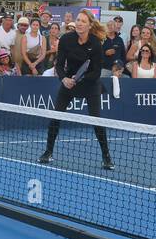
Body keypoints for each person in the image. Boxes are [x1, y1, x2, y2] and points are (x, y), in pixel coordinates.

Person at [40, 11, 113, 169]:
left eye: (83, 21)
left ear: (89, 25)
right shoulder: (66, 39)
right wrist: (64, 79)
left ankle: (106, 156)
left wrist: (79, 79)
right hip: (68, 83)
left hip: (90, 85)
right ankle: (48, 152)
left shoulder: (95, 44)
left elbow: (96, 72)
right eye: (78, 20)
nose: (79, 23)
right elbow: (59, 65)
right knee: (55, 117)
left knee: (97, 121)